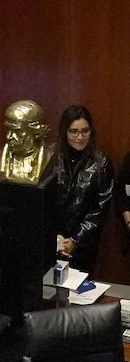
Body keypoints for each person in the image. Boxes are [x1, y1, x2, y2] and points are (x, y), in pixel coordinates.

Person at [49, 104, 113, 273]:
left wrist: (75, 239)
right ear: (65, 132)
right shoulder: (51, 157)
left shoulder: (101, 163)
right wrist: (54, 237)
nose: (80, 137)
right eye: (74, 131)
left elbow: (100, 208)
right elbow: (43, 201)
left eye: (85, 131)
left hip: (83, 244)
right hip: (52, 240)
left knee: (80, 286)